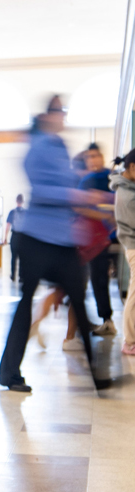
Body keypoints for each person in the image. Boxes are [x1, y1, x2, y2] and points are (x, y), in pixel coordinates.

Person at [0, 103, 114, 392]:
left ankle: (98, 377)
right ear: (48, 115)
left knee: (78, 300)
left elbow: (69, 183)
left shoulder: (61, 146)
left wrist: (91, 194)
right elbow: (43, 189)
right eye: (60, 110)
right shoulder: (37, 146)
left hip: (62, 240)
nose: (64, 115)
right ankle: (10, 374)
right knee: (26, 303)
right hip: (36, 238)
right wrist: (77, 194)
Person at [78, 142, 117, 335]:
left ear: (101, 156)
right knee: (98, 280)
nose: (92, 160)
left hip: (119, 236)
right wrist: (103, 215)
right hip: (97, 240)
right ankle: (107, 320)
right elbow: (79, 207)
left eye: (95, 156)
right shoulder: (86, 181)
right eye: (89, 157)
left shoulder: (113, 177)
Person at [111, 150, 135, 357]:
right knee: (134, 297)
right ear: (133, 167)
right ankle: (130, 342)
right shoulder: (127, 196)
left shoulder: (128, 188)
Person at [3, 194, 26, 282]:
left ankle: (13, 276)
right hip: (23, 237)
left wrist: (5, 237)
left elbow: (8, 226)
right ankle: (21, 277)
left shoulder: (12, 212)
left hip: (14, 236)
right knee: (22, 258)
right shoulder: (25, 212)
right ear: (22, 201)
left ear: (16, 201)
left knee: (14, 257)